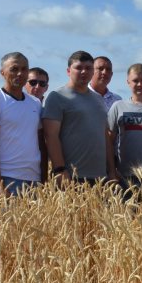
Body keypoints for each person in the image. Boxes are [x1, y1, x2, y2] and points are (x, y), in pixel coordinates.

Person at [43, 51, 115, 184]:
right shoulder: (57, 97)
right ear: (68, 71)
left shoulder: (98, 99)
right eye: (79, 68)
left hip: (101, 177)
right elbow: (50, 135)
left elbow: (104, 136)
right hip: (72, 176)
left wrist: (111, 170)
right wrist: (59, 169)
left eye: (88, 68)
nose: (84, 72)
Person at [0, 52, 44, 196]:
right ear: (2, 72)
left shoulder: (35, 103)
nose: (20, 73)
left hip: (33, 179)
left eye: (24, 69)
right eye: (14, 69)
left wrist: (43, 178)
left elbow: (40, 142)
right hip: (7, 179)